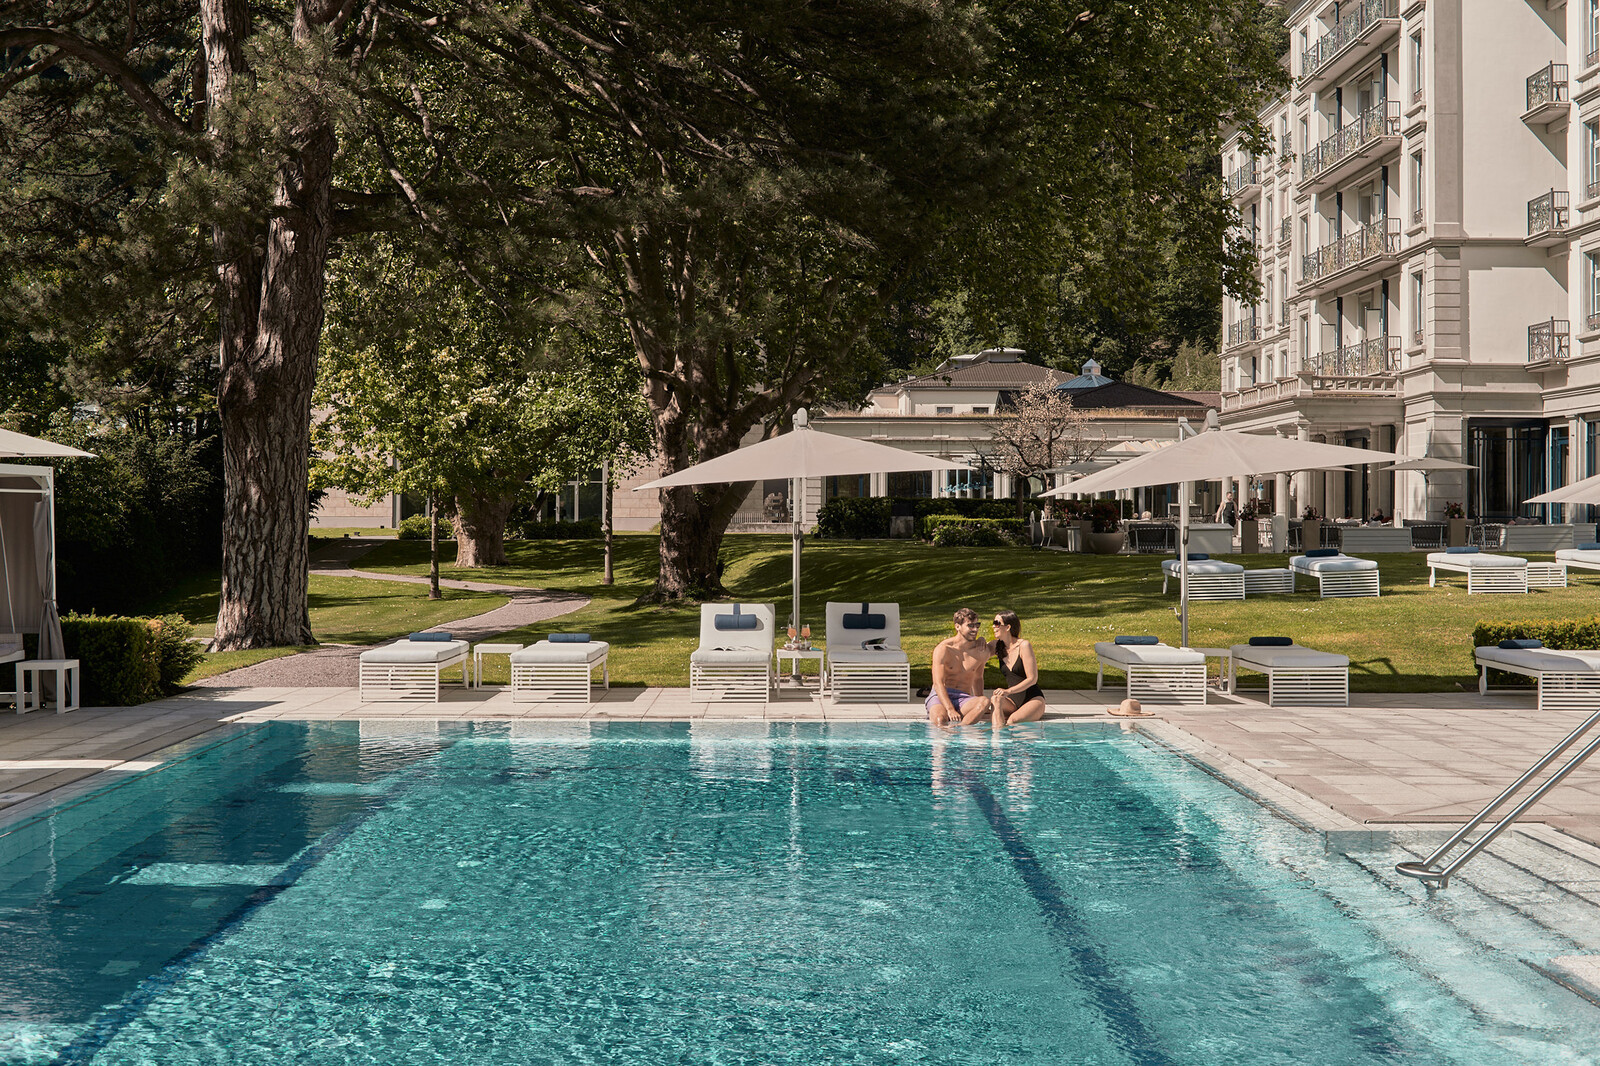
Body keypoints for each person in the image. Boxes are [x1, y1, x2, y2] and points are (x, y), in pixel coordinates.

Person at [927, 607, 992, 727]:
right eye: (970, 626)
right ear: (957, 626)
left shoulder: (980, 650)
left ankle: (960, 730)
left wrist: (980, 707)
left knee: (985, 701)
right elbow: (938, 683)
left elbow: (978, 678)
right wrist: (950, 709)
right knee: (941, 720)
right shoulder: (944, 649)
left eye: (977, 625)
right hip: (940, 696)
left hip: (964, 698)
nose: (975, 629)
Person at [989, 610, 1046, 726]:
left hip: (1032, 699)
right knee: (995, 699)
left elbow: (1032, 679)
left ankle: (1001, 736)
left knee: (1012, 721)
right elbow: (975, 652)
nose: (993, 626)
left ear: (1008, 627)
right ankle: (996, 738)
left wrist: (1008, 691)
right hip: (1012, 700)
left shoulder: (1024, 645)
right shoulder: (997, 646)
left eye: (997, 623)